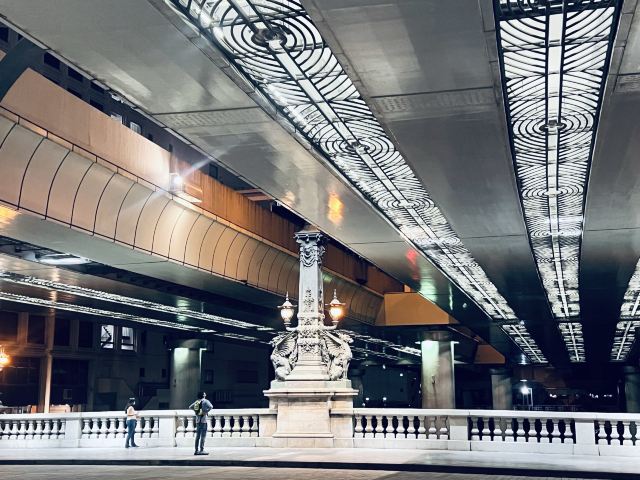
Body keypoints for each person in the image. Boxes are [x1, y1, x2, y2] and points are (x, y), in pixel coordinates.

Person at [188, 391, 213, 455]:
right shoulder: (206, 401)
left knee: (197, 436)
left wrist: (196, 412)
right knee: (203, 436)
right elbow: (211, 406)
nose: (205, 394)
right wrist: (206, 411)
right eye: (204, 393)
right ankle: (201, 450)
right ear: (203, 395)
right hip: (203, 421)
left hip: (197, 421)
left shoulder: (197, 402)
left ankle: (196, 450)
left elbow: (190, 407)